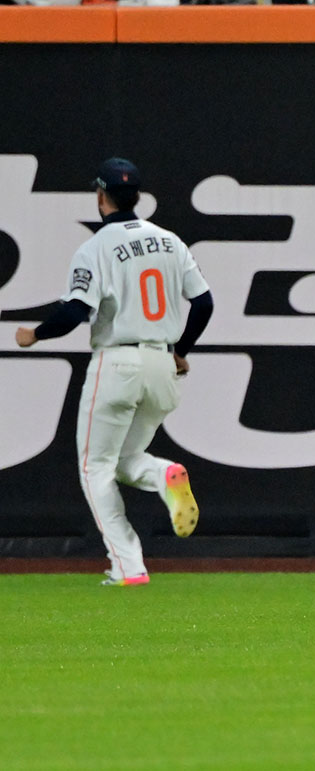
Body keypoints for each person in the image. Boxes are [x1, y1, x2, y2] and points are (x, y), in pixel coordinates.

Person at [15, 158, 214, 587]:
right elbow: (204, 304)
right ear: (137, 196)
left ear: (101, 196)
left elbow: (75, 312)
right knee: (124, 461)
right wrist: (180, 349)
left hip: (118, 363)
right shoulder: (169, 241)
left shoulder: (97, 247)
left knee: (95, 467)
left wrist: (35, 334)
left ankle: (128, 565)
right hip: (162, 365)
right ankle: (165, 476)